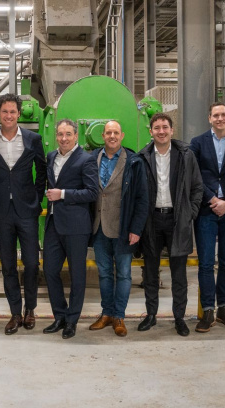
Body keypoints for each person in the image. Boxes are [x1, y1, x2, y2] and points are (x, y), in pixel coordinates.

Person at [0, 94, 46, 335]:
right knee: (8, 265)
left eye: (13, 112)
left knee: (31, 263)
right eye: (5, 111)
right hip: (1, 212)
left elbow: (41, 171)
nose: (9, 116)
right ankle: (15, 313)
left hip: (27, 210)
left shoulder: (33, 139)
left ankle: (30, 310)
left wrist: (36, 199)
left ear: (19, 114)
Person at [137, 113, 203, 337]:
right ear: (151, 132)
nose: (161, 131)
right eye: (157, 128)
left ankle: (179, 318)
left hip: (177, 219)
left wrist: (189, 213)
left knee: (179, 274)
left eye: (165, 127)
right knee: (150, 273)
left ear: (172, 130)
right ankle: (151, 315)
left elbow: (197, 187)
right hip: (152, 220)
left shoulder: (186, 155)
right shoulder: (143, 157)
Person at [189, 103, 225, 332]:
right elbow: (194, 176)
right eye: (216, 115)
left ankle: (224, 308)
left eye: (223, 114)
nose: (220, 118)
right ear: (209, 118)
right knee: (205, 263)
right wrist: (213, 199)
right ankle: (208, 310)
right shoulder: (198, 143)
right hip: (206, 211)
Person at [88, 120, 149, 337]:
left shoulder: (134, 162)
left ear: (122, 136)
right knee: (104, 273)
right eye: (108, 133)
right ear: (102, 136)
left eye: (116, 132)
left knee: (123, 274)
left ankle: (119, 316)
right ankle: (106, 313)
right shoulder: (92, 159)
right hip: (99, 228)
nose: (112, 136)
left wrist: (136, 229)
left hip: (123, 228)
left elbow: (142, 198)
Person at [42, 119, 98, 339]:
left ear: (76, 136)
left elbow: (92, 192)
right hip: (53, 224)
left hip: (76, 226)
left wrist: (63, 194)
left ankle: (72, 320)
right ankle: (59, 316)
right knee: (50, 271)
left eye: (68, 134)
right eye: (60, 134)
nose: (63, 138)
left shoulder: (86, 159)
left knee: (77, 275)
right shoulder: (51, 157)